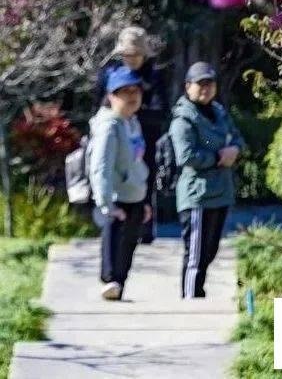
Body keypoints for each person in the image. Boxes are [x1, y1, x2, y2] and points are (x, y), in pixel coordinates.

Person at [169, 61, 245, 299]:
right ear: (188, 86)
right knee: (195, 255)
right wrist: (217, 156)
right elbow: (186, 155)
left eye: (210, 83)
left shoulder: (220, 112)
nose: (206, 88)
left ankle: (197, 295)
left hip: (221, 192)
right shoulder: (183, 119)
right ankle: (191, 302)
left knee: (210, 252)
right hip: (197, 195)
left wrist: (234, 150)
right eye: (200, 83)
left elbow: (237, 138)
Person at [96, 26, 168, 242]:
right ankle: (113, 224)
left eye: (136, 54)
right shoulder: (110, 73)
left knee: (144, 179)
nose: (132, 59)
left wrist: (133, 113)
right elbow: (100, 106)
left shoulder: (153, 76)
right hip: (116, 134)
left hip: (145, 138)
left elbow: (160, 110)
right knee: (112, 175)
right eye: (127, 54)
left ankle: (144, 228)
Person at [88, 65, 151, 301]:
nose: (133, 97)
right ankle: (109, 282)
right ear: (111, 96)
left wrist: (144, 199)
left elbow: (137, 162)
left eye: (136, 91)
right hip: (115, 197)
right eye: (126, 92)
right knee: (114, 244)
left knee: (129, 248)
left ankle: (118, 285)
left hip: (134, 195)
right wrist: (106, 204)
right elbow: (100, 167)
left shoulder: (132, 122)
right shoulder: (109, 126)